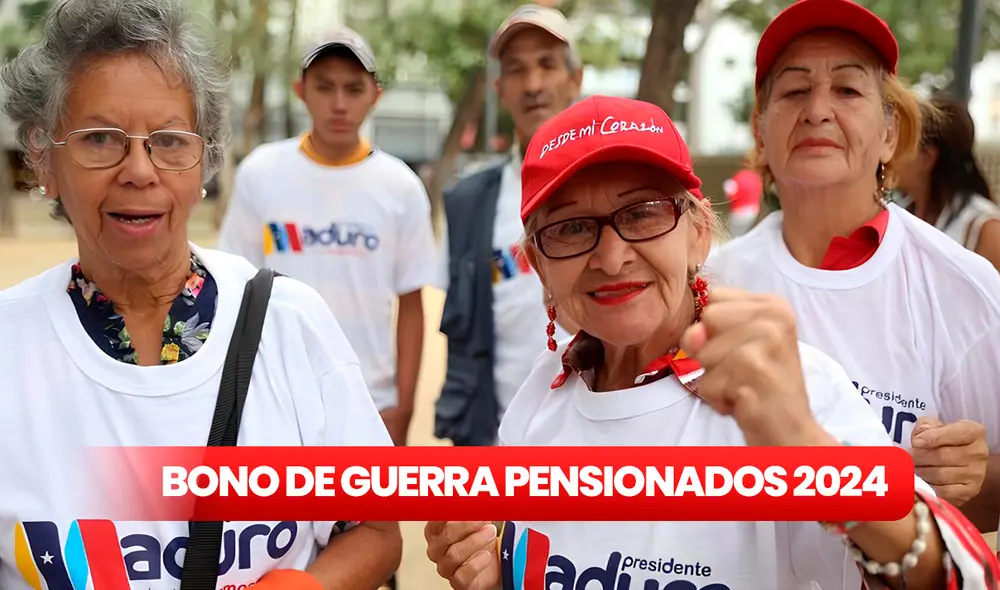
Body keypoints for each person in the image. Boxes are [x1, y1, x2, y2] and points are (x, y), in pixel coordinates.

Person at [423, 94, 1000, 590]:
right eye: (571, 228)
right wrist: (496, 570)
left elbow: (959, 576)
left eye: (643, 213)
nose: (611, 255)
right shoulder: (539, 401)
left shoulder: (787, 392)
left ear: (699, 234)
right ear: (539, 268)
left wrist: (803, 446)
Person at [0, 1, 400, 588]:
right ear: (44, 159)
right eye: (101, 138)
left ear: (204, 159)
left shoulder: (289, 324)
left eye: (168, 140)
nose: (139, 170)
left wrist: (312, 583)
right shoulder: (10, 347)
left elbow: (375, 529)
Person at [707, 0, 1000, 532]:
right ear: (760, 132)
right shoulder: (710, 286)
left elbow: (989, 494)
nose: (818, 110)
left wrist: (975, 477)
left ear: (890, 133)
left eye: (847, 89)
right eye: (795, 90)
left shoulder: (966, 287)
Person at [217, 26, 436, 448]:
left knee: (369, 518)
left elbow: (412, 304)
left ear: (376, 94)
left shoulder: (401, 187)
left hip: (370, 401)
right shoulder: (261, 173)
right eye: (325, 87)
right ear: (301, 90)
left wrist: (404, 409)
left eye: (353, 89)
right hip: (276, 394)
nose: (339, 104)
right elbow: (234, 290)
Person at [434, 3, 582, 447]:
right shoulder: (469, 204)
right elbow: (460, 342)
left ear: (575, 78)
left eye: (547, 65)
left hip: (599, 444)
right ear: (500, 88)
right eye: (517, 70)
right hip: (497, 447)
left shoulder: (617, 192)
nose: (534, 84)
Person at [894, 93, 1000, 270]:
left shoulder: (985, 229)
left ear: (927, 158)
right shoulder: (900, 214)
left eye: (901, 146)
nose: (888, 155)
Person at [723, 168, 763, 237]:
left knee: (736, 237)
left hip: (739, 213)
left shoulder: (737, 178)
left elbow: (730, 195)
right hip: (754, 211)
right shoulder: (755, 177)